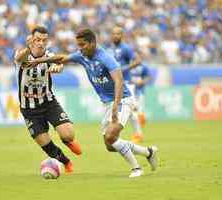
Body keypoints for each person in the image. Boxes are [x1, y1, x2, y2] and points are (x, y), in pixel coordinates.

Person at [24, 29, 159, 178]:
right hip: (107, 103)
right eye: (78, 45)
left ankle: (136, 169)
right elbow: (62, 58)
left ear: (92, 43)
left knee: (110, 136)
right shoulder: (82, 55)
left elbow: (119, 81)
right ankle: (148, 152)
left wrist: (116, 105)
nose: (80, 48)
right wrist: (39, 60)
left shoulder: (106, 58)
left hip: (122, 100)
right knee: (110, 145)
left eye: (82, 45)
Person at [14, 26, 82, 174]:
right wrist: (27, 47)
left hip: (48, 103)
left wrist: (59, 68)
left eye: (44, 40)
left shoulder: (49, 55)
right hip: (29, 109)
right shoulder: (23, 55)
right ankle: (66, 162)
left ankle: (66, 141)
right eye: (37, 39)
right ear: (31, 39)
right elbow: (19, 59)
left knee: (69, 134)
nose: (40, 43)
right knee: (46, 144)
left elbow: (58, 63)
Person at [109, 26, 144, 143]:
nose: (115, 36)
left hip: (127, 83)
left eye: (118, 34)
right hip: (114, 84)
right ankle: (114, 134)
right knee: (116, 110)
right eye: (113, 34)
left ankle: (138, 134)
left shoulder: (126, 48)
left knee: (130, 110)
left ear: (122, 36)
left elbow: (138, 60)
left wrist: (124, 68)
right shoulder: (110, 49)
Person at [130, 62, 153, 126]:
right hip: (130, 91)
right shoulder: (128, 65)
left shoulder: (143, 66)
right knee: (134, 110)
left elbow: (149, 77)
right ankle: (138, 128)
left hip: (140, 91)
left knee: (138, 110)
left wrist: (142, 82)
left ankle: (139, 125)